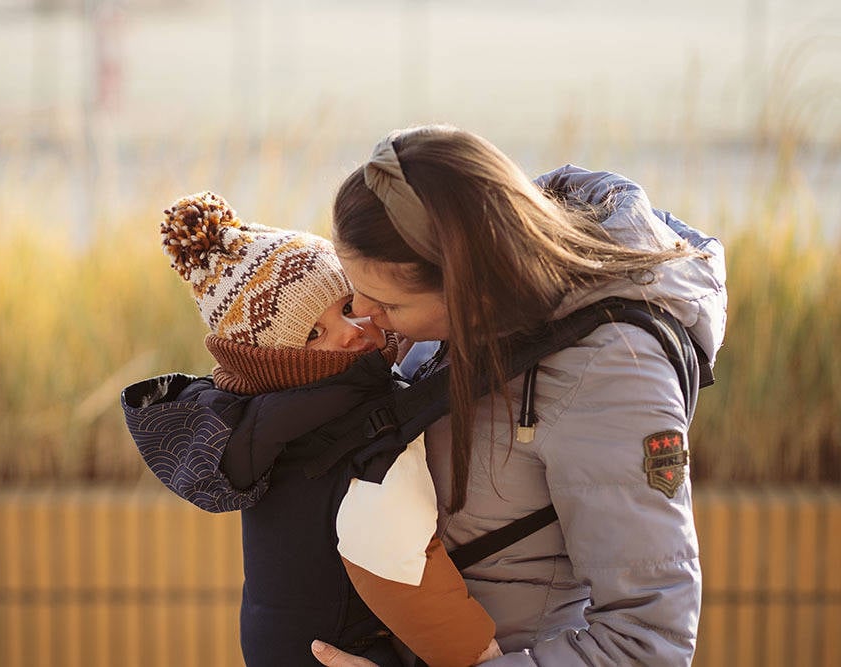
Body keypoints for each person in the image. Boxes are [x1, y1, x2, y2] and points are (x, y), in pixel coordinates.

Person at [311, 125, 727, 666]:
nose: (366, 317)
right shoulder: (460, 322)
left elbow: (647, 644)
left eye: (389, 305)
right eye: (352, 290)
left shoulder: (613, 371)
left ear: (467, 284)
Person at [121, 191, 501, 666]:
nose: (350, 331)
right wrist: (480, 654)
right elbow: (392, 554)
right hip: (336, 649)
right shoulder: (341, 420)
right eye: (314, 334)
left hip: (289, 639)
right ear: (280, 361)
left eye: (347, 306)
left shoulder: (276, 415)